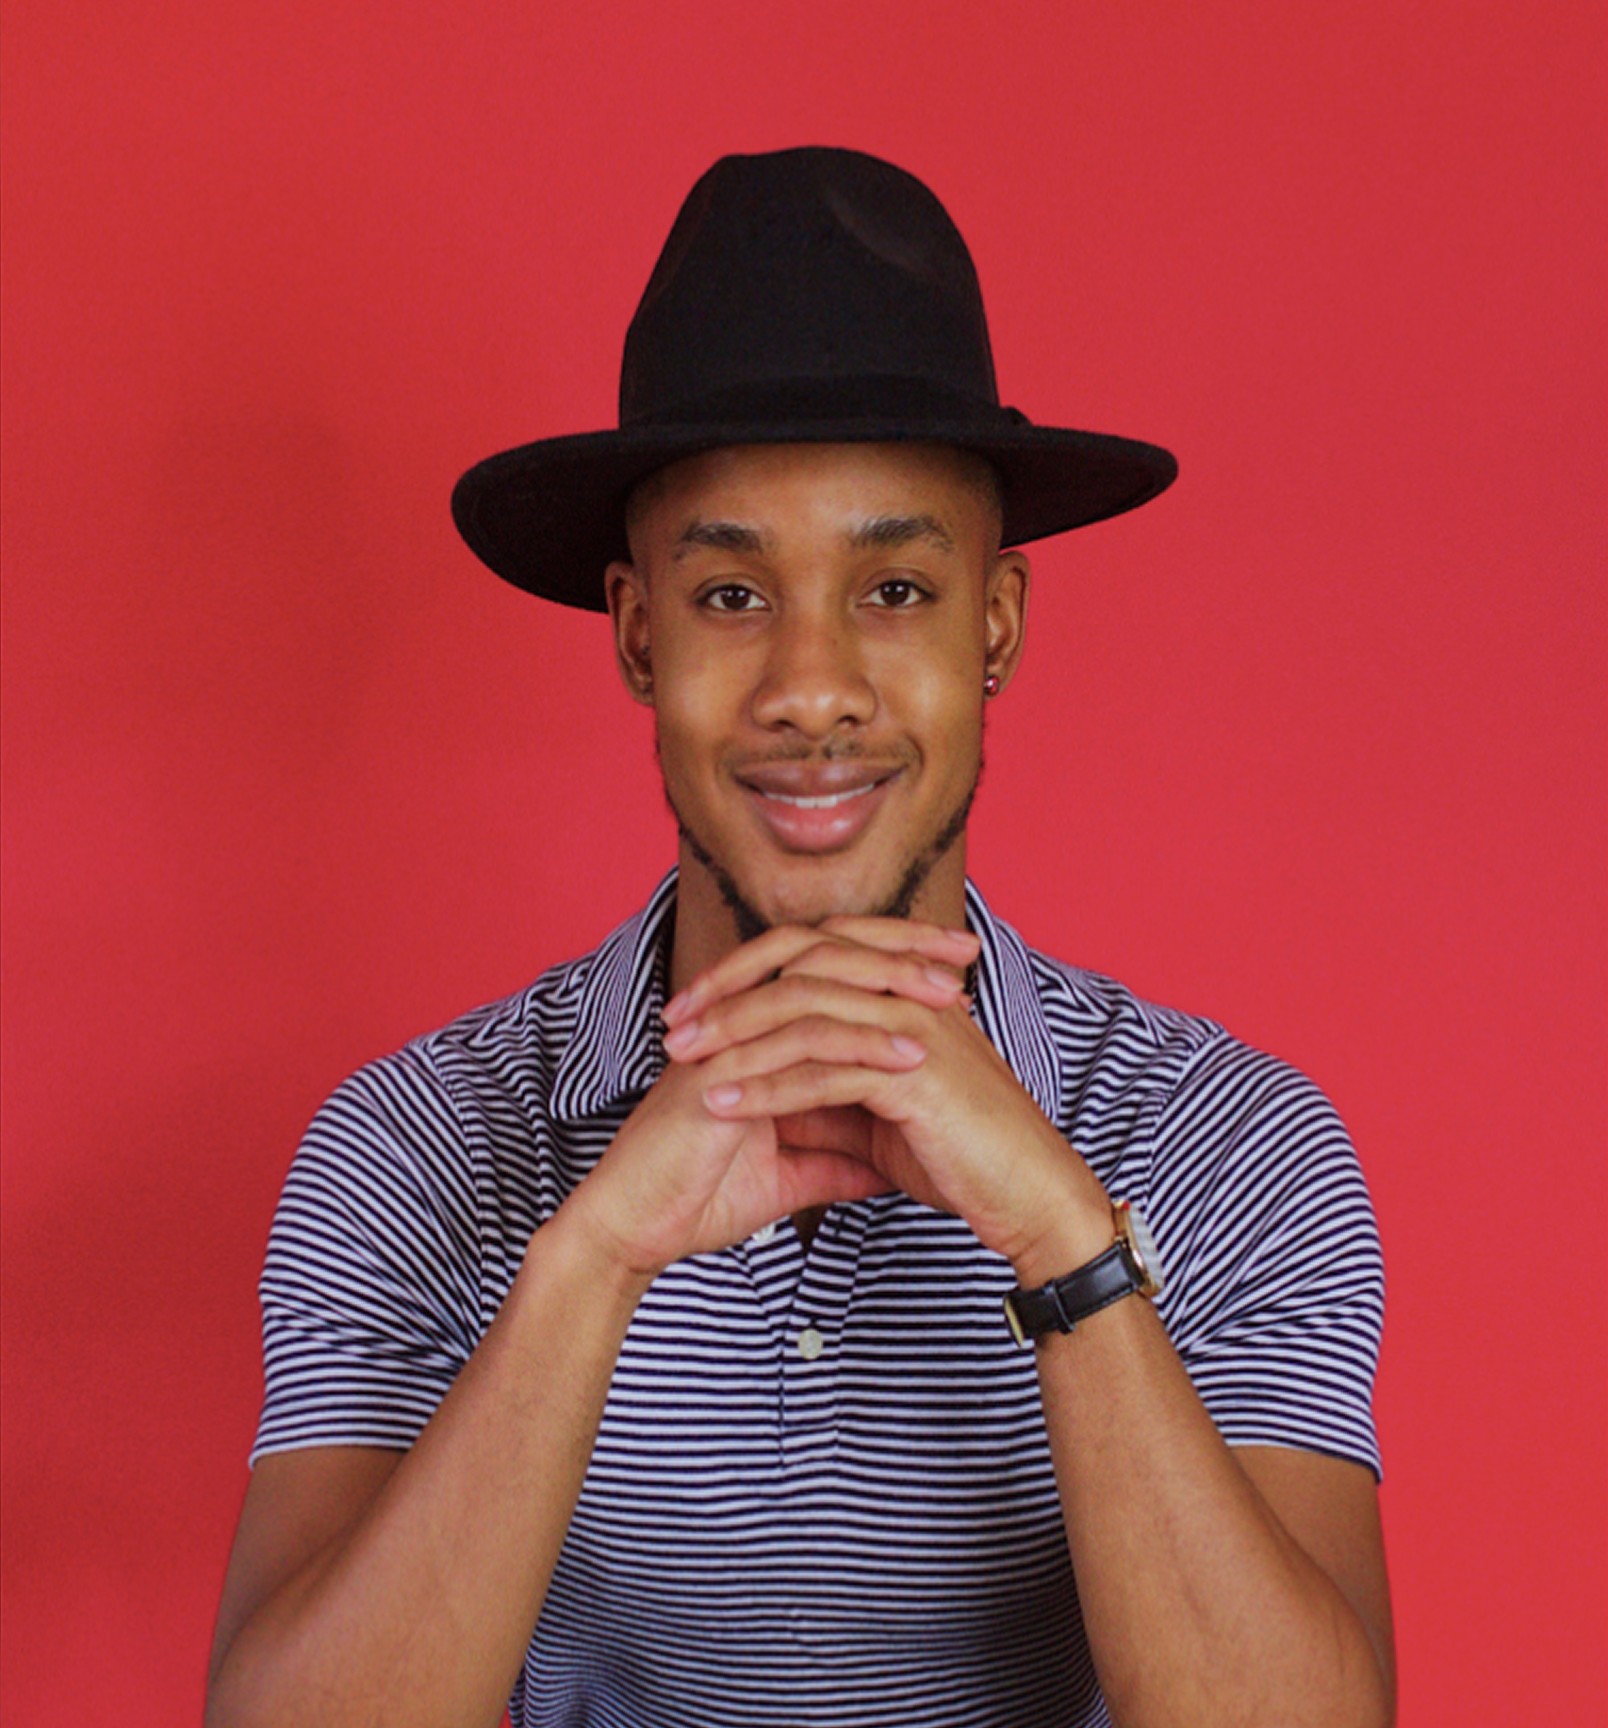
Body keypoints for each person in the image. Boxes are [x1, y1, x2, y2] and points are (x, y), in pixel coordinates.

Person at [206, 148, 1394, 1728]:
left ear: (997, 628)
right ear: (637, 634)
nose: (812, 688)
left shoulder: (1233, 1141)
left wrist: (1065, 1245)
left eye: (894, 587)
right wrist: (594, 1258)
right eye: (730, 598)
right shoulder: (413, 1142)